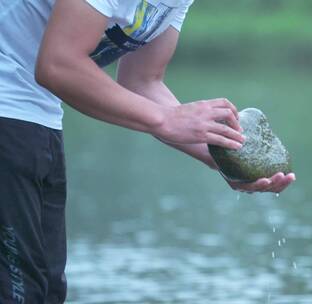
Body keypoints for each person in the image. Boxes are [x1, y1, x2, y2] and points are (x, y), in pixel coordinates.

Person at [0, 0, 296, 302]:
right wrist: (166, 119)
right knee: (17, 291)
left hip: (36, 117)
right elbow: (57, 64)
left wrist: (219, 155)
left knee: (46, 290)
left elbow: (141, 80)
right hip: (8, 108)